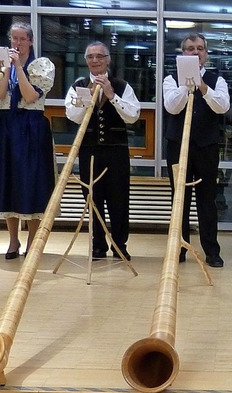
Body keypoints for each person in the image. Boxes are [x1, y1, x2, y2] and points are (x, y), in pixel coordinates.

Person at [0, 22, 56, 260]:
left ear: (31, 41)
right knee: (9, 180)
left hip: (32, 125)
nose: (17, 43)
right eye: (13, 38)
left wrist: (19, 68)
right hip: (6, 123)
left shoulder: (42, 65)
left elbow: (30, 95)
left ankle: (33, 241)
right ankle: (13, 241)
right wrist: (6, 68)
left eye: (22, 39)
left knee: (32, 181)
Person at [65, 41, 141, 261]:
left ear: (108, 59)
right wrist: (85, 100)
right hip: (89, 151)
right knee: (93, 199)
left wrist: (112, 95)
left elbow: (133, 115)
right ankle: (97, 245)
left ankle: (119, 245)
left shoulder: (122, 85)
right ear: (86, 60)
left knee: (119, 200)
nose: (95, 60)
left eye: (99, 56)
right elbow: (72, 116)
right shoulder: (78, 85)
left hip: (116, 152)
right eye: (90, 56)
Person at [163, 33, 230, 268]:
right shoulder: (170, 80)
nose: (195, 52)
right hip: (177, 145)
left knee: (207, 199)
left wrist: (201, 87)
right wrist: (186, 83)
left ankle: (211, 250)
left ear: (206, 53)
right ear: (183, 53)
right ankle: (179, 248)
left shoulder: (216, 79)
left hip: (206, 147)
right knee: (179, 199)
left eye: (199, 48)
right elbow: (172, 107)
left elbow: (222, 106)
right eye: (190, 49)